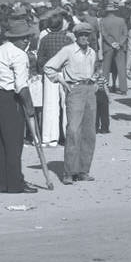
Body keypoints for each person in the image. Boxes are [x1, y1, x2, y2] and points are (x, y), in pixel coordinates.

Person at [0, 18, 40, 193]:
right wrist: (30, 108)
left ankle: (2, 182)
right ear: (14, 38)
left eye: (27, 37)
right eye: (22, 38)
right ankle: (15, 184)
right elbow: (21, 86)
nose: (26, 40)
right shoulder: (19, 55)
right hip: (10, 99)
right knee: (13, 144)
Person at [44, 22, 101, 183]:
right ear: (76, 36)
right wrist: (61, 81)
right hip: (74, 91)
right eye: (81, 35)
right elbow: (49, 67)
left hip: (90, 91)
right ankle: (69, 172)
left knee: (89, 133)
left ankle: (83, 170)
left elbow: (96, 69)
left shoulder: (91, 52)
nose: (84, 37)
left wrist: (95, 81)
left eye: (86, 35)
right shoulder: (67, 51)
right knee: (74, 131)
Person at [36, 13, 73, 157]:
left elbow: (40, 59)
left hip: (49, 72)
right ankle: (67, 136)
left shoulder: (44, 39)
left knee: (50, 106)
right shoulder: (68, 39)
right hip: (65, 72)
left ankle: (49, 138)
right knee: (66, 105)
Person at [97, 4, 128, 93]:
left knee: (106, 68)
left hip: (108, 46)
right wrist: (119, 43)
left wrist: (111, 43)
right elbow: (125, 34)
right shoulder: (121, 20)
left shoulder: (103, 21)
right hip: (120, 46)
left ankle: (104, 87)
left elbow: (104, 34)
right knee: (121, 68)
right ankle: (123, 89)